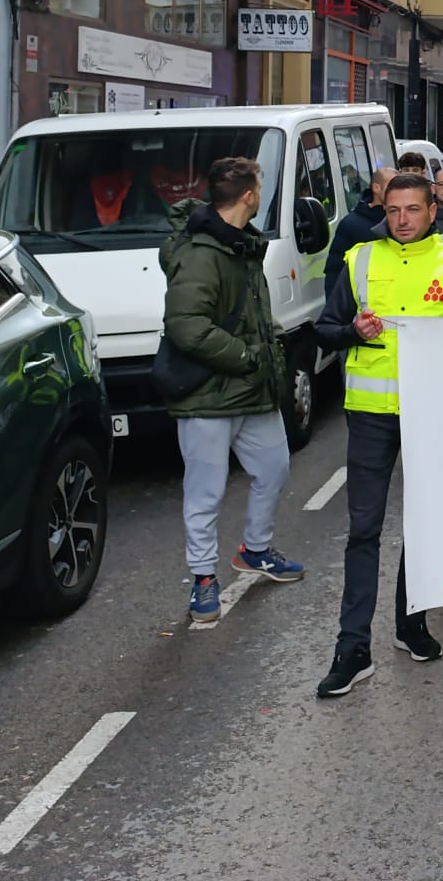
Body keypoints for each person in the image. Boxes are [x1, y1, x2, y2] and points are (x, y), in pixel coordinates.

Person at [313, 173, 443, 697]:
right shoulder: (359, 260)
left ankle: (412, 624)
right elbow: (323, 328)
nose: (403, 219)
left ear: (433, 211)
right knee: (363, 529)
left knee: (424, 526)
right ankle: (352, 647)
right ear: (383, 211)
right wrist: (351, 332)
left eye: (413, 209)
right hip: (369, 413)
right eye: (394, 211)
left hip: (430, 414)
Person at [160, 157, 303, 626]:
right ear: (248, 195)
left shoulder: (240, 245)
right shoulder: (202, 253)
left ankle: (255, 550)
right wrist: (245, 357)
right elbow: (187, 327)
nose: (259, 195)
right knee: (205, 493)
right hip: (208, 396)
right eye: (258, 188)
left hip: (250, 392)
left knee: (275, 467)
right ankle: (203, 578)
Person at [328, 165, 394, 288]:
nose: (397, 191)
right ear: (376, 188)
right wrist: (336, 306)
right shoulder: (351, 224)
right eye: (392, 186)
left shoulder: (401, 220)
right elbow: (335, 270)